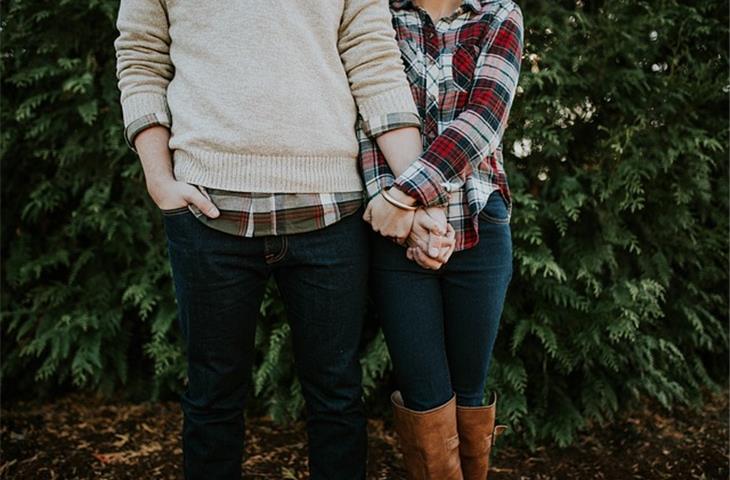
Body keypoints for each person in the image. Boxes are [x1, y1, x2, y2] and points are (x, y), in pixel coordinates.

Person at [113, 1, 435, 479]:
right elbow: (141, 58)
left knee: (337, 397)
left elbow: (374, 64)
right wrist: (159, 179)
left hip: (330, 212)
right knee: (212, 395)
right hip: (208, 212)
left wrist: (418, 191)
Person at [359, 0, 524, 478]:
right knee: (425, 399)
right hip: (397, 233)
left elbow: (484, 121)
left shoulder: (497, 14)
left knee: (469, 395)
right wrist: (402, 215)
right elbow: (367, 117)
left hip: (478, 222)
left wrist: (407, 197)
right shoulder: (378, 16)